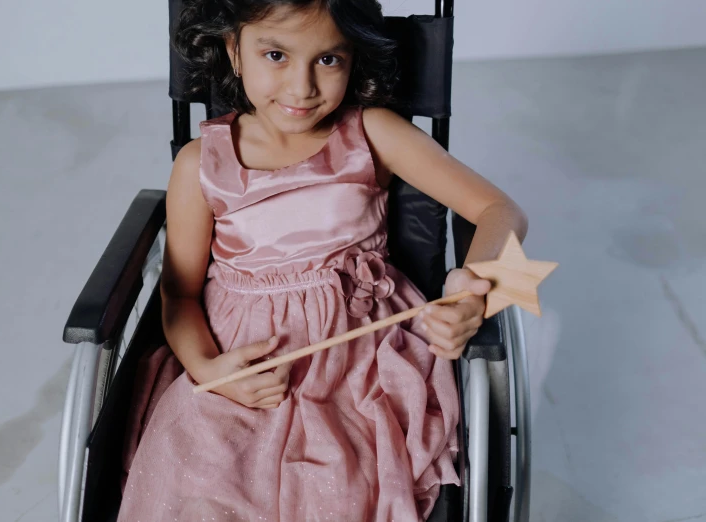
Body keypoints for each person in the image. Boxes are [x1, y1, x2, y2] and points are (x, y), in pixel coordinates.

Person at [118, 0, 528, 520]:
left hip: (359, 364)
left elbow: (501, 210)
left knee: (336, 490)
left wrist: (475, 287)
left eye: (329, 60)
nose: (302, 87)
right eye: (275, 55)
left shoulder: (371, 133)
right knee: (199, 484)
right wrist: (209, 370)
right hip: (241, 360)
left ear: (353, 58)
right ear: (234, 52)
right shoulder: (201, 163)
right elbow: (179, 292)